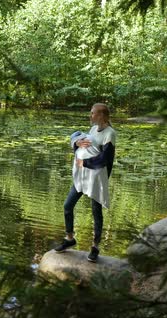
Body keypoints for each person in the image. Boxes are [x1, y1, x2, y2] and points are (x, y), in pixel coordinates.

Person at [54, 103, 117, 262]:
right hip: (82, 177)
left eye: (93, 113)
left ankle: (95, 247)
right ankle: (70, 239)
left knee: (96, 212)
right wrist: (77, 143)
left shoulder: (110, 134)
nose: (90, 116)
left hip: (96, 179)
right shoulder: (93, 129)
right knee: (68, 205)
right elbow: (85, 145)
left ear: (101, 115)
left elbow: (105, 159)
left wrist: (85, 163)